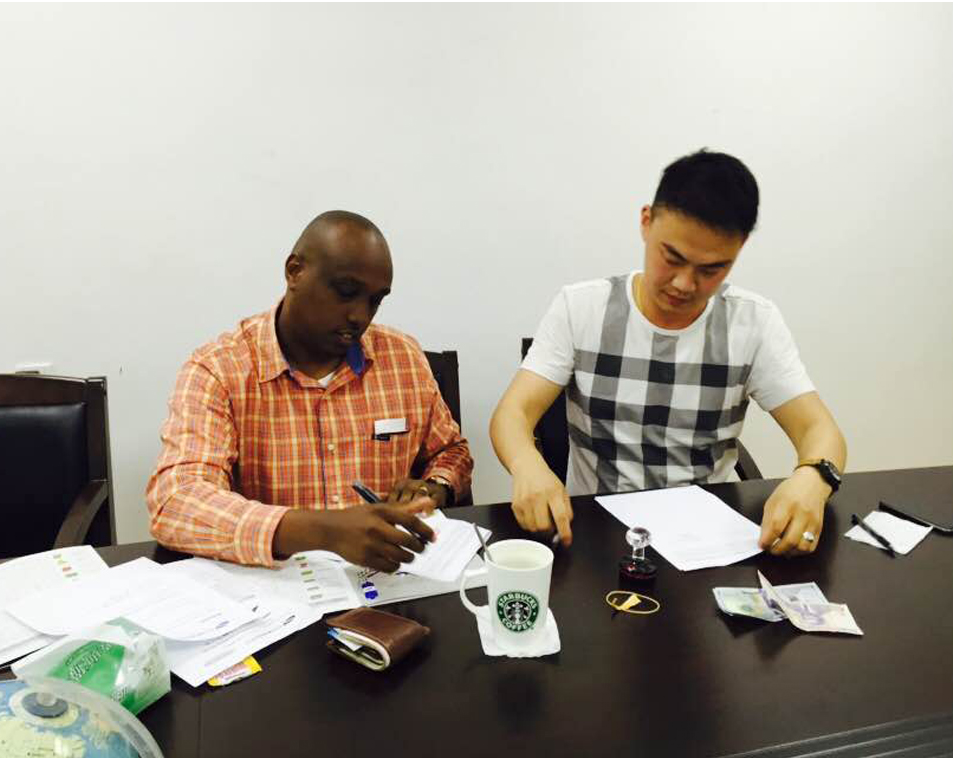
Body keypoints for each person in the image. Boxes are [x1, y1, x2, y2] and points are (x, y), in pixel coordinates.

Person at [490, 150, 846, 556]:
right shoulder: (582, 308)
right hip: (596, 535)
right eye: (671, 258)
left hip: (708, 539)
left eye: (711, 270)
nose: (683, 284)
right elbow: (512, 414)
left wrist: (813, 478)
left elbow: (820, 430)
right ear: (646, 222)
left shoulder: (752, 322)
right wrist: (528, 465)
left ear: (740, 248)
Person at [147, 211, 473, 572]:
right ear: (295, 272)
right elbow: (175, 502)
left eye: (375, 300)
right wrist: (320, 531)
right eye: (346, 292)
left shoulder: (402, 358)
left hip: (390, 583)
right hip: (276, 589)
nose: (360, 316)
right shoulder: (219, 369)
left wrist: (434, 486)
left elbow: (450, 451)